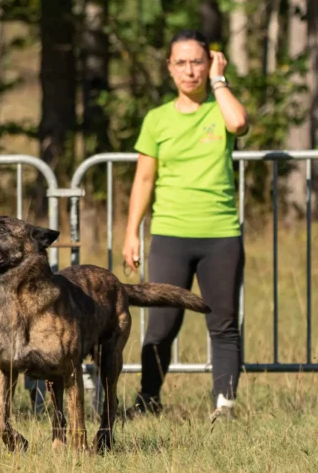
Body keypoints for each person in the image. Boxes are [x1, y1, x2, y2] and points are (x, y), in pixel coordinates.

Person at [121, 30, 249, 421]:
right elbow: (144, 179)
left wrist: (219, 81)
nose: (189, 70)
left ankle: (224, 404)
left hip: (221, 234)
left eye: (197, 62)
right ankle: (148, 398)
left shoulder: (220, 107)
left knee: (223, 323)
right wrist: (131, 232)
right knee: (162, 324)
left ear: (210, 64)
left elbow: (239, 123)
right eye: (181, 62)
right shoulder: (157, 119)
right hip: (170, 235)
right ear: (169, 68)